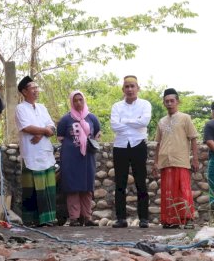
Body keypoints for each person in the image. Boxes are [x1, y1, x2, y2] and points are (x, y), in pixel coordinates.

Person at [152, 88, 199, 229]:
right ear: (163, 103)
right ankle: (170, 220)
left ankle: (187, 218)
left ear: (178, 101)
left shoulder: (185, 118)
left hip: (181, 159)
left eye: (172, 101)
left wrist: (195, 159)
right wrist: (155, 162)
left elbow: (194, 139)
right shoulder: (161, 121)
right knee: (168, 190)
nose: (169, 103)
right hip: (165, 160)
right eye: (166, 101)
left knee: (183, 189)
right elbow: (158, 143)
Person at [14, 75, 57, 227]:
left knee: (47, 187)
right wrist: (44, 130)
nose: (36, 90)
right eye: (33, 88)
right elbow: (26, 127)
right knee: (31, 188)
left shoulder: (42, 108)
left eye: (36, 88)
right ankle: (32, 220)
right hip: (31, 153)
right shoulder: (20, 108)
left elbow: (52, 126)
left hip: (44, 151)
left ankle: (48, 219)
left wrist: (44, 132)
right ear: (24, 92)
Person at [110, 75, 152, 228]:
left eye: (132, 86)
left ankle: (144, 219)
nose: (129, 89)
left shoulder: (145, 104)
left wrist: (125, 122)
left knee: (141, 182)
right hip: (120, 146)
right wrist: (134, 122)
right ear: (123, 89)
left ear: (138, 88)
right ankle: (121, 219)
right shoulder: (116, 106)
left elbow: (144, 122)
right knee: (120, 184)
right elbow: (114, 126)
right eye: (126, 86)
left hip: (138, 145)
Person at [57, 91, 101, 227]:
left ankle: (87, 217)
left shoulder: (92, 118)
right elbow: (60, 137)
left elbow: (97, 134)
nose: (78, 103)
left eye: (80, 100)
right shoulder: (66, 119)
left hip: (88, 158)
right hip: (71, 158)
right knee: (73, 188)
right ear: (71, 102)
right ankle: (74, 218)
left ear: (84, 100)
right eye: (75, 100)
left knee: (87, 187)